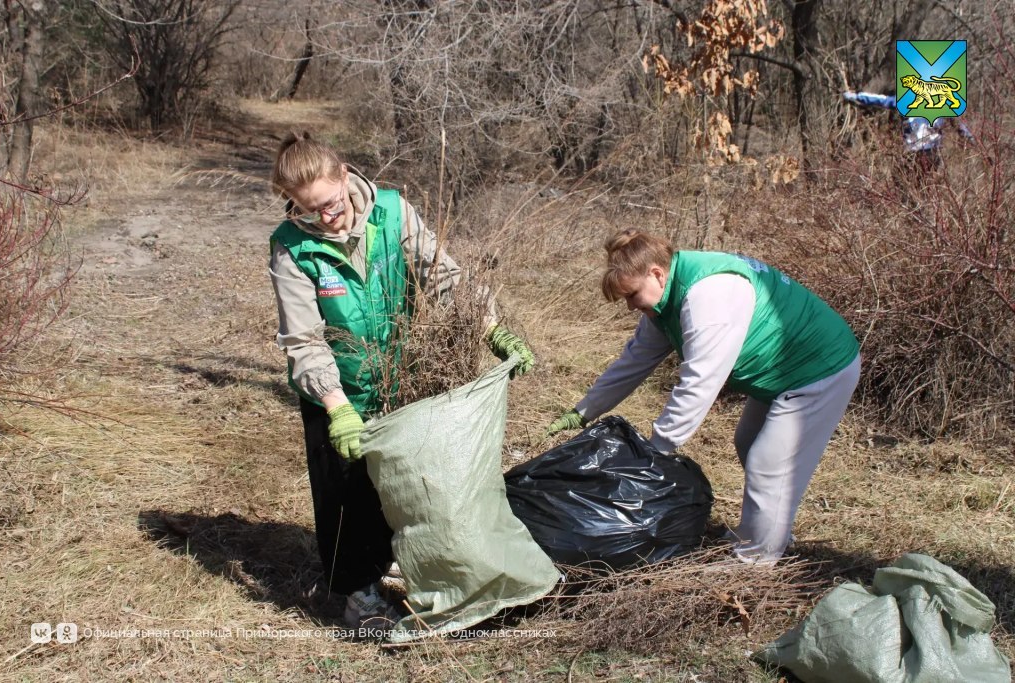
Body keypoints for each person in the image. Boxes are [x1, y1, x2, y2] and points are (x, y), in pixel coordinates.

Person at [268, 132, 534, 626]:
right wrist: (337, 404)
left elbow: (442, 275)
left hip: (400, 376)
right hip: (337, 389)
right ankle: (358, 593)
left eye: (330, 202)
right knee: (345, 495)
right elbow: (303, 339)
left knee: (409, 480)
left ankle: (412, 562)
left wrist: (489, 327)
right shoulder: (291, 248)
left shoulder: (392, 211)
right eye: (309, 211)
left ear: (345, 175)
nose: (326, 217)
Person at [546, 230, 861, 564]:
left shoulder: (708, 295)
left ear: (656, 273)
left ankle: (755, 565)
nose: (630, 306)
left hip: (819, 369)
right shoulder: (665, 298)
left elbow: (700, 382)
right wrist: (583, 411)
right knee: (749, 442)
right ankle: (763, 531)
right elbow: (634, 362)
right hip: (783, 374)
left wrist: (657, 450)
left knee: (770, 464)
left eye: (632, 294)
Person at [842, 90, 973, 171]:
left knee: (918, 186)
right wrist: (856, 96)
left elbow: (882, 100)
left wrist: (969, 138)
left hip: (924, 151)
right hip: (919, 152)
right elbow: (882, 100)